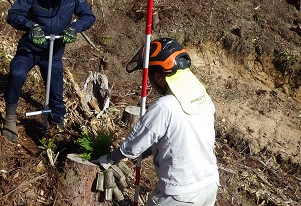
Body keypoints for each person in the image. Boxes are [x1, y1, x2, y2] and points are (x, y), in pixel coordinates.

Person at [94, 38, 219, 205]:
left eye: (150, 76)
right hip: (209, 185)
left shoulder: (164, 106)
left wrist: (110, 158)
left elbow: (134, 144)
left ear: (159, 76)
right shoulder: (201, 97)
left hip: (179, 194)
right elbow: (179, 138)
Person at [3, 0, 96, 142]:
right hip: (30, 48)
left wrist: (75, 27)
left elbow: (89, 16)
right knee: (17, 73)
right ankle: (10, 117)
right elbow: (13, 14)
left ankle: (57, 126)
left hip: (53, 52)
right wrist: (31, 26)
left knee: (56, 90)